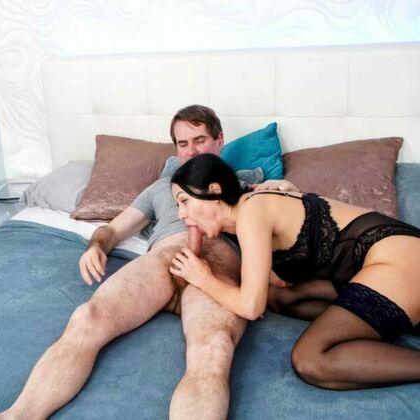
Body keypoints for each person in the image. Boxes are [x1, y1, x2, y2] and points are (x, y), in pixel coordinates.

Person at [0, 105, 297, 419]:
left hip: (216, 272)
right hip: (165, 260)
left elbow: (296, 215)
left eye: (199, 140)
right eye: (182, 144)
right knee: (87, 317)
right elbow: (114, 229)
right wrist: (97, 246)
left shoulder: (245, 185)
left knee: (213, 350)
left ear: (219, 141)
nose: (191, 151)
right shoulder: (161, 188)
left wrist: (284, 189)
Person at [169, 153, 420, 389]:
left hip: (400, 256)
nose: (181, 214)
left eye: (184, 201)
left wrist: (203, 278)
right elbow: (277, 286)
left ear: (214, 190)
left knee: (310, 359)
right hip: (377, 266)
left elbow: (250, 307)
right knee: (277, 298)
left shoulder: (252, 211)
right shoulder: (249, 215)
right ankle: (388, 319)